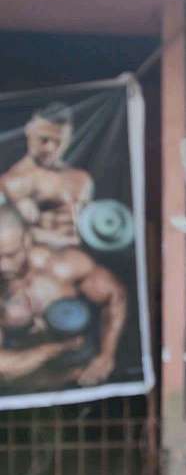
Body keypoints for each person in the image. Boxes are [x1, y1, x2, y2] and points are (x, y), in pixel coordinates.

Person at [0, 204, 126, 389]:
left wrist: (106, 355)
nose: (3, 266)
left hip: (82, 363)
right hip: (32, 379)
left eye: (11, 255)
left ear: (26, 241)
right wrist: (54, 349)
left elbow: (114, 294)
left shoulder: (59, 267)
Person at [0, 102, 93, 249]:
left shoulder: (82, 179)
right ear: (29, 131)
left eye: (59, 142)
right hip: (41, 259)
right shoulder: (9, 183)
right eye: (44, 139)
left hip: (78, 256)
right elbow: (8, 236)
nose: (50, 148)